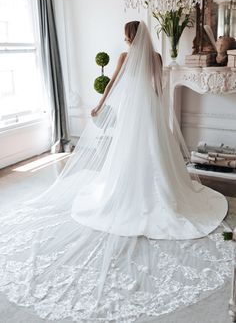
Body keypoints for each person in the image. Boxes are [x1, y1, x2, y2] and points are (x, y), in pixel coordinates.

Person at [0, 21, 231, 323]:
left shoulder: (130, 57)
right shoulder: (152, 58)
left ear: (133, 38)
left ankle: (147, 192)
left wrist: (105, 104)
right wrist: (137, 111)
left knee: (144, 153)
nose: (124, 42)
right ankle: (146, 190)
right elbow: (153, 89)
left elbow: (121, 85)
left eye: (126, 37)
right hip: (145, 110)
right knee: (145, 153)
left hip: (140, 110)